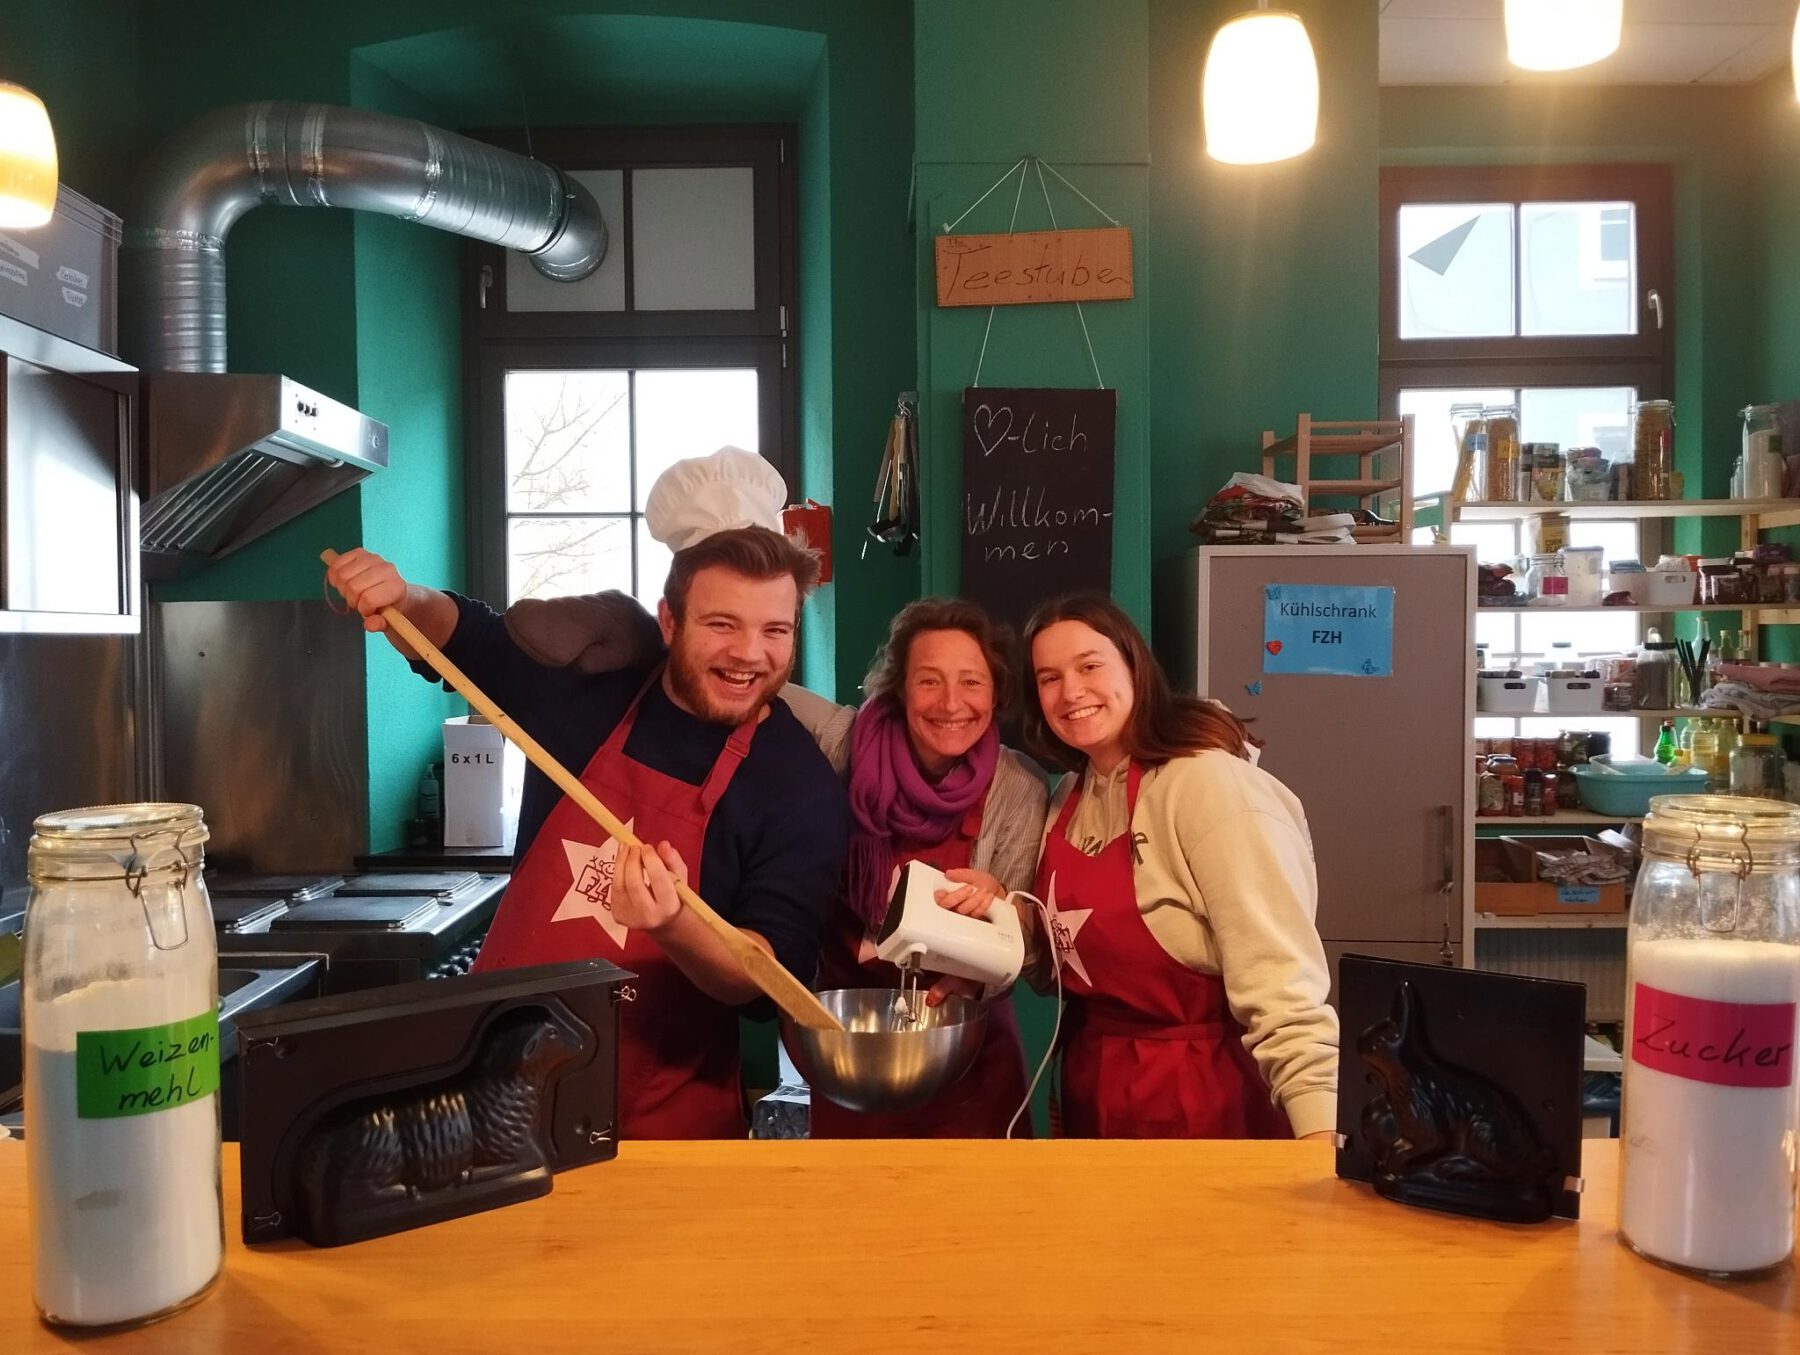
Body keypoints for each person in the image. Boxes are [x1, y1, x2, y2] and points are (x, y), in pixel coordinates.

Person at [324, 448, 849, 1141]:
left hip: (660, 1137)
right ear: (670, 622)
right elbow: (467, 639)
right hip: (487, 1099)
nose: (750, 653)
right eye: (722, 624)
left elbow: (759, 977)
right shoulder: (589, 689)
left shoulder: (797, 784)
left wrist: (673, 924)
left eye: (774, 630)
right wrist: (400, 597)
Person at [1020, 593, 1337, 1141]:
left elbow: (1283, 987)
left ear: (1134, 668)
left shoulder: (1210, 787)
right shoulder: (1069, 795)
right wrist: (1002, 919)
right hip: (1094, 1090)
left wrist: (1318, 1142)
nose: (1071, 692)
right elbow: (1061, 964)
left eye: (1090, 666)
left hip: (1202, 1101)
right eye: (1049, 678)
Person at [779, 599, 1049, 1137]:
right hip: (851, 1042)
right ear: (899, 688)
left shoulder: (1019, 786)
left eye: (972, 682)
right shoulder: (844, 746)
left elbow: (1023, 939)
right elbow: (759, 680)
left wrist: (1000, 904)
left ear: (996, 693)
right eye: (929, 681)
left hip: (966, 1043)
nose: (951, 703)